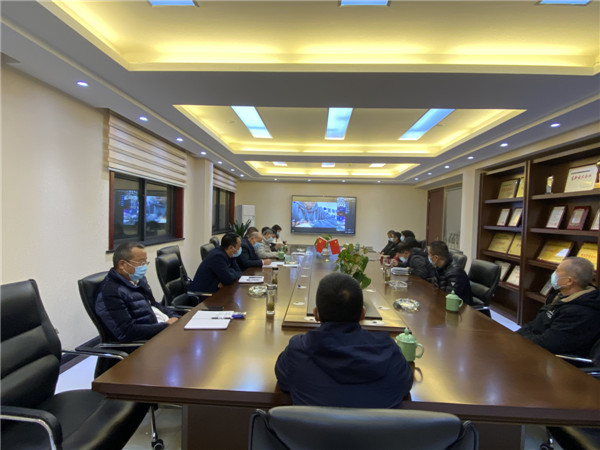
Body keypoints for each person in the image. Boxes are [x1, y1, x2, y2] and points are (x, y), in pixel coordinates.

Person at [275, 272, 413, 408]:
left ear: (316, 314)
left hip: (315, 425)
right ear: (363, 314)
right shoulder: (390, 353)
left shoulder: (298, 351)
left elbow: (283, 381)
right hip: (376, 424)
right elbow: (405, 385)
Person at [96, 242, 179, 343]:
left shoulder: (139, 280)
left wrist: (175, 317)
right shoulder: (111, 292)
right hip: (144, 343)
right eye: (141, 262)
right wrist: (165, 326)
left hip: (160, 330)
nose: (144, 267)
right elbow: (127, 332)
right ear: (122, 264)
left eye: (145, 262)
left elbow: (154, 304)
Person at [517, 257, 600, 357]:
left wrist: (518, 341)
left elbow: (548, 343)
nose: (554, 274)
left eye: (557, 271)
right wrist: (515, 336)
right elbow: (536, 324)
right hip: (535, 346)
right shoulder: (560, 296)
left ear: (569, 281)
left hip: (554, 359)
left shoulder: (580, 312)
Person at [427, 240, 473, 305]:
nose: (428, 257)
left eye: (429, 254)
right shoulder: (439, 267)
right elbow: (435, 288)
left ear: (436, 258)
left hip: (460, 307)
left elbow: (450, 299)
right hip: (443, 303)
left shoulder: (454, 273)